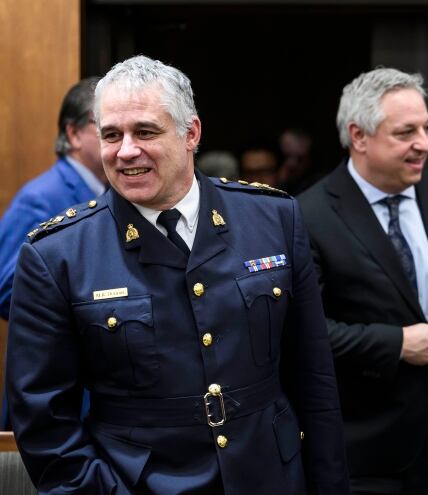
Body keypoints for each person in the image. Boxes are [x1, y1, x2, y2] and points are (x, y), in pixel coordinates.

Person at [7, 55, 349, 495]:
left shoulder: (274, 219)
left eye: (145, 131)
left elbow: (314, 380)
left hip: (272, 477)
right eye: (111, 135)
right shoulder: (57, 255)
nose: (126, 150)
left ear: (192, 133)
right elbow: (44, 425)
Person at [298, 68, 428, 495]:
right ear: (358, 136)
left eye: (426, 129)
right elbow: (306, 333)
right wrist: (394, 343)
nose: (424, 144)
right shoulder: (308, 215)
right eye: (406, 132)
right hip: (364, 448)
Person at [0, 77, 107, 321]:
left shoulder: (110, 192)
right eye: (104, 125)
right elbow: (7, 292)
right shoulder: (40, 198)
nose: (119, 137)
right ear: (73, 134)